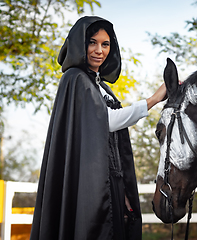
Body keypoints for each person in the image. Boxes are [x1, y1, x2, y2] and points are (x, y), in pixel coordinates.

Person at [30, 16, 167, 240]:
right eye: (92, 42)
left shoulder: (100, 85)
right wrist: (153, 99)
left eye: (105, 44)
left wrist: (119, 185)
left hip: (110, 177)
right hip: (89, 180)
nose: (99, 50)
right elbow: (108, 121)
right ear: (80, 44)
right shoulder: (75, 79)